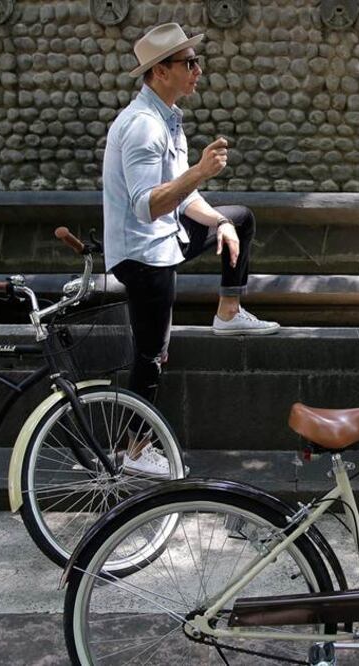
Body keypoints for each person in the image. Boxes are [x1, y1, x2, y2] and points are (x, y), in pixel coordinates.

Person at [102, 23, 279, 476]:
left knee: (240, 218)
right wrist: (199, 172)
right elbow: (147, 206)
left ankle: (227, 313)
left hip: (166, 241)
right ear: (160, 71)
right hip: (143, 254)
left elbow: (185, 200)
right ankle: (134, 451)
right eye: (189, 63)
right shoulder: (143, 126)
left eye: (197, 62)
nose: (198, 70)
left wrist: (219, 222)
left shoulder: (167, 119)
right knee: (152, 353)